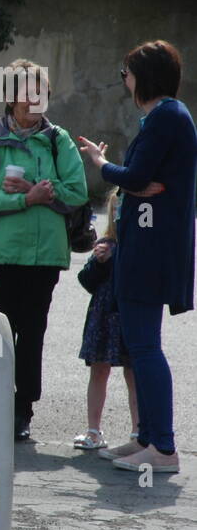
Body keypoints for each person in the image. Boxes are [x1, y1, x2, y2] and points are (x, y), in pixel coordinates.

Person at [78, 40, 196, 474]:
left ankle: (162, 448)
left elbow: (139, 176)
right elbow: (141, 180)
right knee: (142, 347)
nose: (123, 81)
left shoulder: (166, 115)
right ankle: (145, 437)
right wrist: (129, 180)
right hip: (146, 248)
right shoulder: (166, 117)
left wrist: (101, 163)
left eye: (125, 73)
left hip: (150, 252)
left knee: (145, 349)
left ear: (144, 76)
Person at [0, 60, 89, 441]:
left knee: (33, 333)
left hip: (44, 258)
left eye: (41, 93)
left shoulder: (59, 140)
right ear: (9, 97)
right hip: (2, 256)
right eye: (26, 93)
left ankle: (23, 409)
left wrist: (41, 189)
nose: (34, 100)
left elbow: (78, 192)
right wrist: (26, 200)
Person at [72, 190, 140, 451]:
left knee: (133, 373)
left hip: (125, 317)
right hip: (102, 319)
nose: (118, 213)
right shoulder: (106, 242)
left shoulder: (137, 246)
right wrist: (98, 263)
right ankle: (93, 430)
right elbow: (86, 281)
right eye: (115, 209)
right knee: (99, 370)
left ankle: (138, 432)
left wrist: (114, 260)